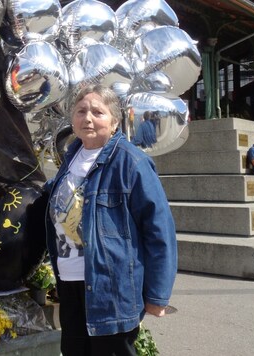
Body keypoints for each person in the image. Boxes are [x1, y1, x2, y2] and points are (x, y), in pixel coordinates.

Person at [44, 85, 178, 355]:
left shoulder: (132, 162)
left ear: (115, 121)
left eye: (98, 112)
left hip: (111, 288)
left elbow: (159, 230)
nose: (88, 118)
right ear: (73, 119)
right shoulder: (70, 160)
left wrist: (157, 294)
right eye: (81, 111)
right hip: (69, 282)